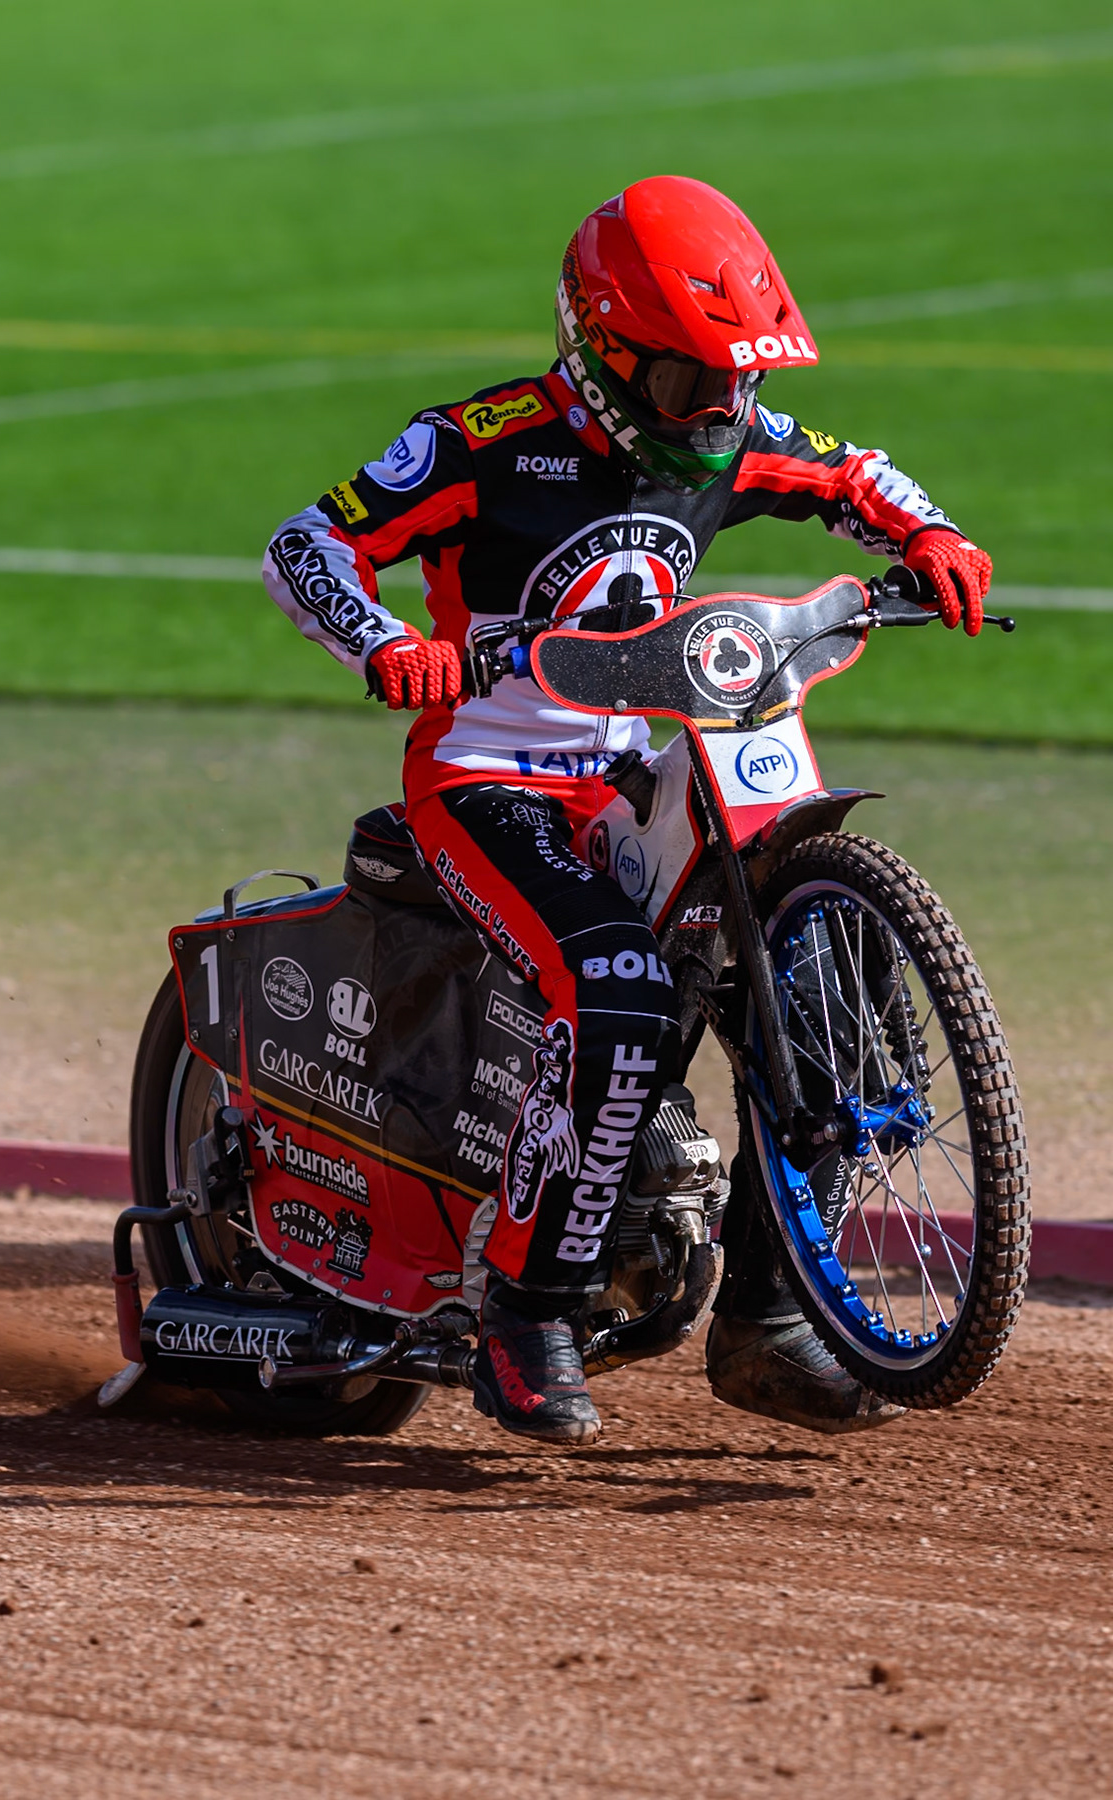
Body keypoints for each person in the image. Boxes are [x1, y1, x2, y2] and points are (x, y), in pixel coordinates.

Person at [262, 175, 993, 1447]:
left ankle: (769, 1318)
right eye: (688, 387)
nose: (720, 418)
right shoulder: (479, 442)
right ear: (603, 357)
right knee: (616, 987)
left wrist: (931, 535)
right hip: (488, 782)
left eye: (740, 386)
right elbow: (306, 548)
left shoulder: (725, 425)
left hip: (634, 769)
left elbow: (858, 471)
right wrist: (386, 646)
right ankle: (524, 1311)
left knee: (816, 946)